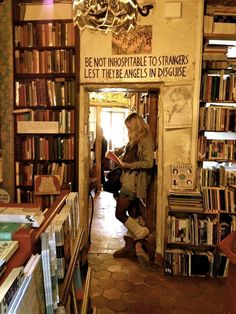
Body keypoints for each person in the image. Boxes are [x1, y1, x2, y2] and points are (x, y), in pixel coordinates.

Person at [113, 112, 155, 258]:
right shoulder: (134, 140)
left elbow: (149, 163)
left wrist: (129, 165)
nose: (128, 130)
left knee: (119, 213)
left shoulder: (145, 140)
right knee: (132, 213)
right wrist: (119, 159)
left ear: (136, 126)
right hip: (128, 179)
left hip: (134, 183)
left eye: (130, 128)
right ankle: (130, 246)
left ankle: (140, 232)